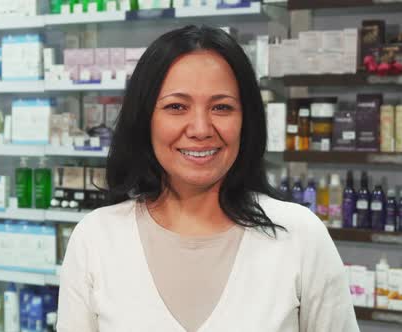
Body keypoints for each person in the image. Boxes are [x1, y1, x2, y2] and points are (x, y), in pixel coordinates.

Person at [57, 25, 359, 332]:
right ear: (144, 118)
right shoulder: (95, 240)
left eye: (221, 107)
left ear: (246, 120)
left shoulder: (300, 236)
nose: (200, 128)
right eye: (176, 107)